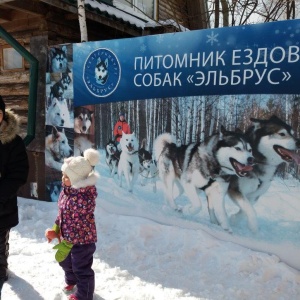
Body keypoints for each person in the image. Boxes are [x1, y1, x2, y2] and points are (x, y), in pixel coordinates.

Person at [45, 148, 100, 300]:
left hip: (82, 241)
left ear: (77, 179)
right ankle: (72, 279)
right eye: (63, 175)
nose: (63, 179)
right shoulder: (66, 192)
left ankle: (84, 295)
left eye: (67, 176)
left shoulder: (85, 197)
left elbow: (81, 214)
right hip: (67, 238)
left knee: (81, 268)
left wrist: (68, 238)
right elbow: (61, 213)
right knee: (63, 259)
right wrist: (55, 229)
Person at [0, 95, 29, 299]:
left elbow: (19, 173)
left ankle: (1, 271)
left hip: (3, 205)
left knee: (0, 242)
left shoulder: (13, 142)